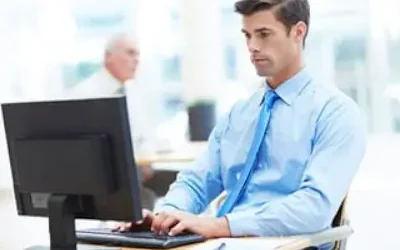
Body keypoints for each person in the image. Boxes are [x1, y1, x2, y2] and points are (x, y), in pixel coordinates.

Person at [115, 0, 367, 245]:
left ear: (298, 32)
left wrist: (220, 225)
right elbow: (197, 180)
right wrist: (166, 216)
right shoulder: (239, 113)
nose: (253, 46)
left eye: (264, 34)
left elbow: (314, 208)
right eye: (247, 35)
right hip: (223, 242)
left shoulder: (336, 113)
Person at [67, 33, 156, 210]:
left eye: (138, 54)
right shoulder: (87, 93)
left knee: (183, 180)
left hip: (136, 169)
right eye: (130, 53)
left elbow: (143, 135)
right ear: (108, 57)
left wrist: (146, 158)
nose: (136, 60)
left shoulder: (132, 91)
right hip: (104, 175)